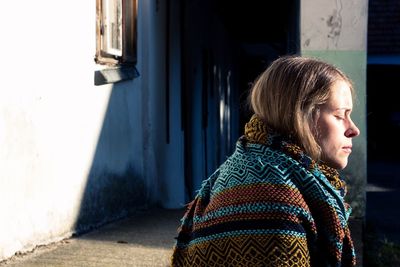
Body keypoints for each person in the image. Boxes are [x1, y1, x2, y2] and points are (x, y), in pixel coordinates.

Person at [171, 55, 360, 266]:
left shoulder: (258, 166)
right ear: (300, 114)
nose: (354, 129)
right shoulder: (273, 198)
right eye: (339, 115)